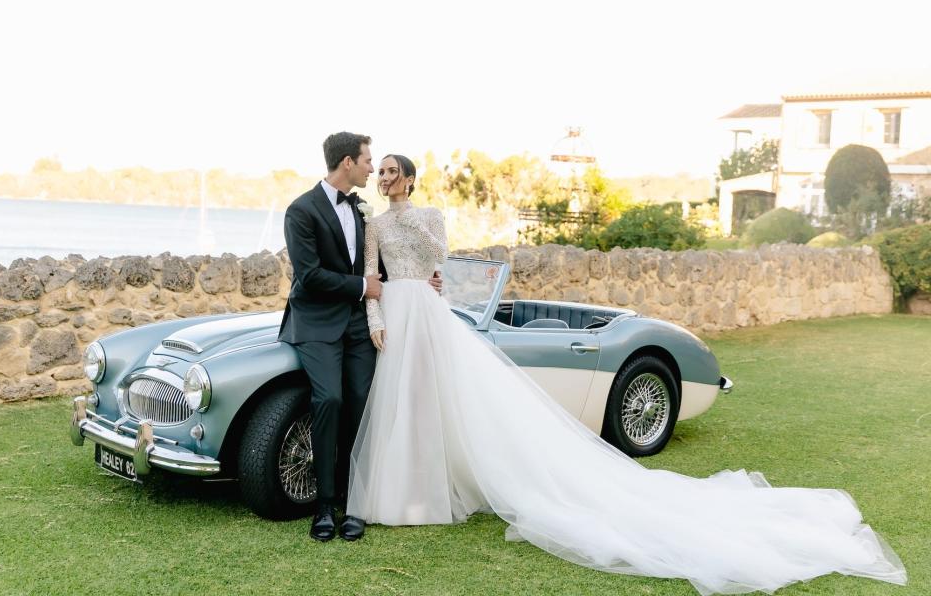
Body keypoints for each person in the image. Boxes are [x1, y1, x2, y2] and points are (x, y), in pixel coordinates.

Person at [347, 154, 907, 595]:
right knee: (406, 402)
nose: (385, 177)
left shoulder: (427, 215)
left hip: (429, 307)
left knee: (437, 398)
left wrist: (413, 222)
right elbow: (371, 275)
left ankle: (437, 492)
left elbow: (441, 254)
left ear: (410, 180)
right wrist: (375, 315)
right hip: (394, 312)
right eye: (383, 171)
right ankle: (403, 496)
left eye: (393, 171)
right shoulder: (373, 223)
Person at [279, 133, 441, 543]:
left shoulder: (362, 211)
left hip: (359, 322)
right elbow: (310, 275)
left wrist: (431, 278)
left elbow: (387, 262)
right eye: (369, 162)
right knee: (329, 399)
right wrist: (361, 289)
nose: (373, 169)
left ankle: (357, 503)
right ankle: (323, 507)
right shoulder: (301, 210)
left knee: (365, 403)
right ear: (348, 162)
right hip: (316, 321)